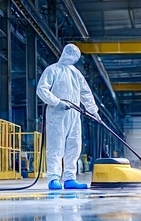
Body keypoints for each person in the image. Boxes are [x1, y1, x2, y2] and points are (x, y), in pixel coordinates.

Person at [36, 43, 101, 190]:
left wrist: (93, 111)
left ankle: (70, 178)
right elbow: (41, 89)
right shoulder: (52, 70)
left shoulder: (76, 74)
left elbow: (86, 93)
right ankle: (53, 178)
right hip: (57, 114)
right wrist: (57, 102)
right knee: (56, 146)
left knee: (74, 146)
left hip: (74, 114)